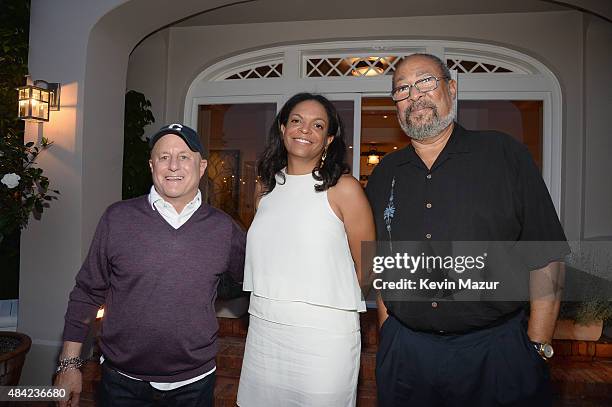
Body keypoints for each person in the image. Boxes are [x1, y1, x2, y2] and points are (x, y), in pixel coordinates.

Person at [366, 54, 569, 407]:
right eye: (402, 88)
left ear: (452, 88)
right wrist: (389, 331)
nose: (415, 95)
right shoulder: (385, 173)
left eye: (425, 81)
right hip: (406, 357)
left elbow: (545, 254)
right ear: (396, 103)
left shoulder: (504, 155)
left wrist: (536, 347)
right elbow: (384, 264)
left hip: (496, 354)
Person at [54, 123, 245, 407]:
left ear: (201, 165)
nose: (173, 165)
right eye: (163, 156)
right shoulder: (117, 218)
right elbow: (87, 292)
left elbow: (253, 283)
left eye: (183, 156)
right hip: (122, 382)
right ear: (151, 164)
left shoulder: (224, 229)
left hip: (194, 384)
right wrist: (69, 365)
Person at [237, 93, 375, 406]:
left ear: (328, 139)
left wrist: (331, 303)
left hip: (324, 336)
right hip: (265, 328)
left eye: (317, 125)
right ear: (283, 128)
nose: (304, 130)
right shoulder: (265, 187)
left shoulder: (344, 188)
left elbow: (366, 263)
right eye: (297, 121)